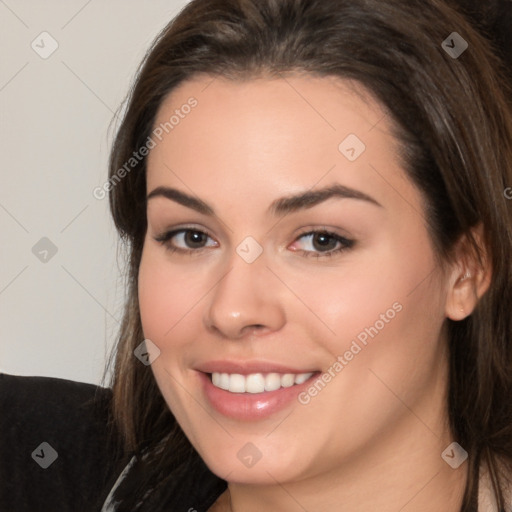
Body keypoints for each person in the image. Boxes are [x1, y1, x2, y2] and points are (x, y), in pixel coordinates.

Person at [1, 0, 511, 511]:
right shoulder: (40, 471)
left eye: (320, 240)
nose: (233, 310)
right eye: (191, 237)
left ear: (465, 268)